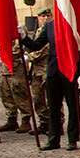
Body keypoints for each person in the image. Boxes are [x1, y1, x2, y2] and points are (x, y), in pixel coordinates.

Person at [20, 10, 80, 151]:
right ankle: (53, 139)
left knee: (73, 107)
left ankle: (73, 139)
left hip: (71, 71)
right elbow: (37, 45)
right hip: (53, 71)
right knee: (53, 108)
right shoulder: (50, 26)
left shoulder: (74, 24)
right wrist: (23, 37)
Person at [0, 37, 33, 135]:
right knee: (6, 96)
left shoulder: (17, 33)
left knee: (20, 95)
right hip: (5, 69)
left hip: (16, 70)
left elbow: (18, 50)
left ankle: (25, 121)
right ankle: (11, 120)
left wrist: (4, 54)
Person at [25, 8, 52, 136]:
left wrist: (28, 57)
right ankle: (44, 122)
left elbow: (45, 49)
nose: (46, 18)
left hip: (46, 69)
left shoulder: (51, 30)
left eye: (48, 15)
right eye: (42, 16)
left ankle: (55, 123)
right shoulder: (39, 30)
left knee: (50, 98)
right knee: (38, 98)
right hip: (36, 70)